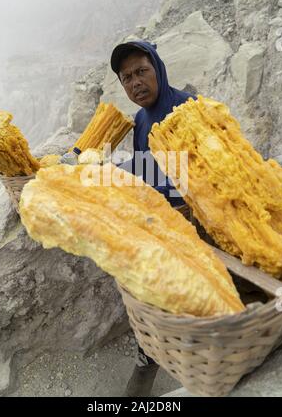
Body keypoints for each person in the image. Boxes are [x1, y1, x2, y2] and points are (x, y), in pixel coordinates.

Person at [110, 41, 196, 397]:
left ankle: (201, 368)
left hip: (194, 223)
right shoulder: (141, 120)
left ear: (157, 67)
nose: (135, 83)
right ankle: (149, 357)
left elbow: (191, 174)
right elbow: (147, 171)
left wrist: (119, 173)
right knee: (149, 294)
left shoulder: (187, 109)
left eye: (141, 71)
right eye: (126, 77)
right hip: (159, 223)